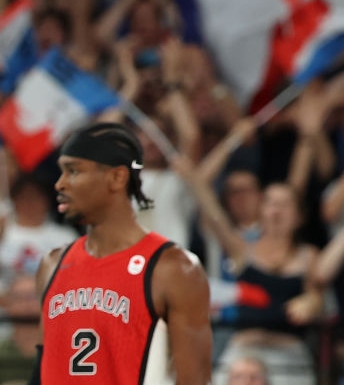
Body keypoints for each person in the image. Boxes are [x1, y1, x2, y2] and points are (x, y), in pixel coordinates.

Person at [32, 122, 211, 384]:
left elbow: (194, 380)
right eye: (61, 172)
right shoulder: (52, 264)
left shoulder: (173, 268)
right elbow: (41, 371)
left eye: (73, 171)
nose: (60, 184)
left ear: (117, 178)